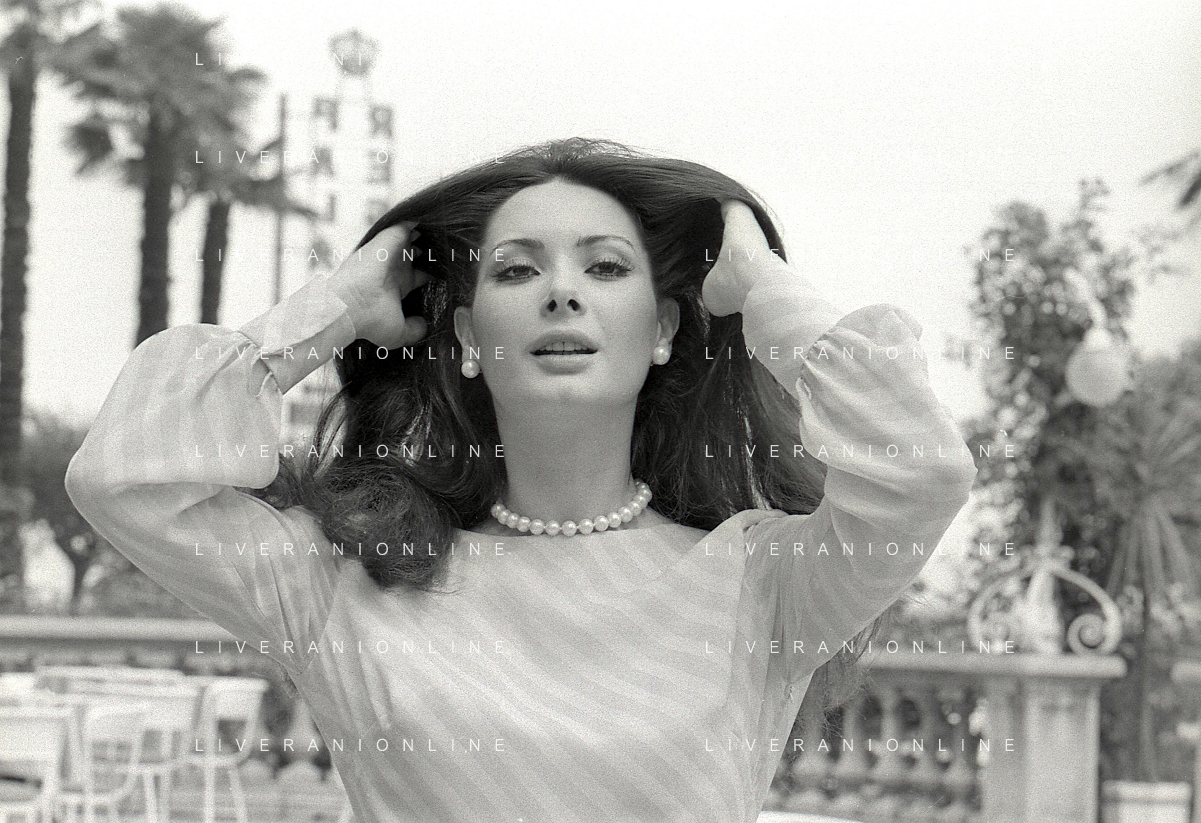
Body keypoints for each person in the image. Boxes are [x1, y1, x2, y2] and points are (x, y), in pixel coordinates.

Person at [66, 137, 978, 822]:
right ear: (466, 336)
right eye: (516, 269)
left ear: (663, 328)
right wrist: (335, 306)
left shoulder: (761, 581)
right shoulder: (340, 583)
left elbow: (922, 470)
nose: (561, 291)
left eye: (605, 265)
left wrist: (759, 281)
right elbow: (123, 475)